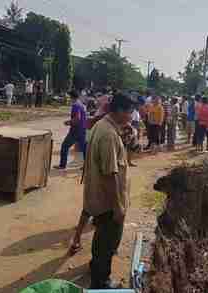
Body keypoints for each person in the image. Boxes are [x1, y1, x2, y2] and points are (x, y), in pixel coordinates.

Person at [70, 93, 133, 289]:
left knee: (102, 238)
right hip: (108, 202)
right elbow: (110, 175)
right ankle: (101, 281)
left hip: (100, 199)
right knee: (107, 241)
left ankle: (95, 266)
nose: (132, 116)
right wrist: (118, 207)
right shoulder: (108, 135)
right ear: (121, 111)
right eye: (130, 112)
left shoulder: (104, 126)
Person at [54, 90, 87, 170]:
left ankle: (62, 165)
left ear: (72, 97)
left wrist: (69, 122)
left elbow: (77, 118)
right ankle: (87, 166)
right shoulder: (81, 105)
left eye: (69, 97)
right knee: (84, 148)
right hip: (82, 129)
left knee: (65, 146)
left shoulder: (75, 105)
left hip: (75, 130)